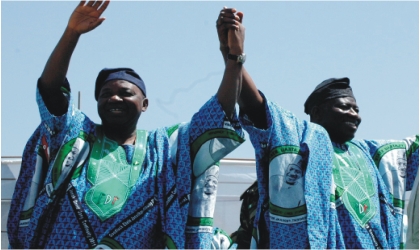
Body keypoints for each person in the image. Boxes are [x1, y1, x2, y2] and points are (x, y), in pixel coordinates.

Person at [7, 1, 246, 249]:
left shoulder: (164, 149)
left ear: (145, 104)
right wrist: (72, 33)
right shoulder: (77, 134)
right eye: (106, 93)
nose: (114, 98)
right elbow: (51, 91)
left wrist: (233, 57)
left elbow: (217, 116)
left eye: (125, 92)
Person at [217, 8, 419, 249]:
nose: (356, 115)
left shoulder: (373, 155)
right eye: (346, 107)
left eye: (356, 109)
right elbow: (257, 108)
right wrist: (234, 55)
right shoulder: (300, 140)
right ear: (318, 112)